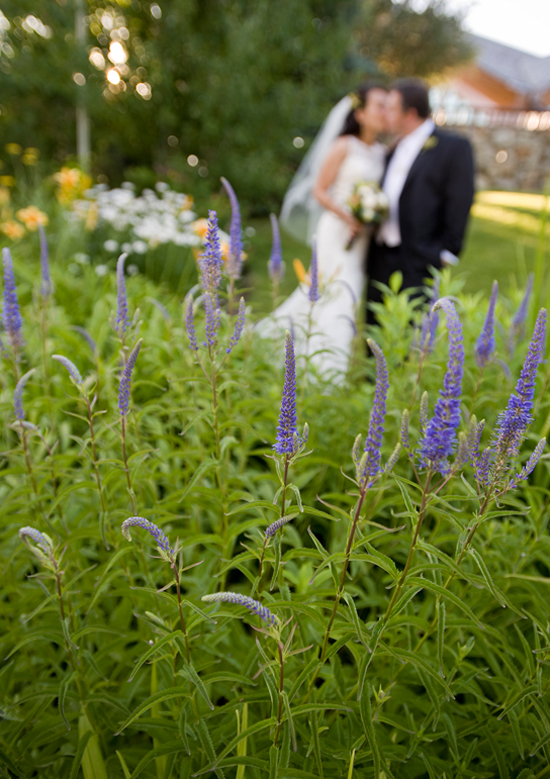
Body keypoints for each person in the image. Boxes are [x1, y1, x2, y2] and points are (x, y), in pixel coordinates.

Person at [258, 83, 387, 379]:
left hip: (362, 237)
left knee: (347, 295)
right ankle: (321, 370)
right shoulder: (344, 145)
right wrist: (350, 214)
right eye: (379, 105)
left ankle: (321, 366)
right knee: (327, 291)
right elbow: (319, 190)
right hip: (336, 230)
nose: (384, 112)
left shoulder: (381, 151)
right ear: (361, 113)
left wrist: (372, 213)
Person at [366, 78, 474, 325]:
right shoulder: (392, 148)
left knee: (412, 336)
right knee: (376, 328)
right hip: (381, 257)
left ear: (410, 113)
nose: (386, 114)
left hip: (420, 258)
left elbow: (460, 199)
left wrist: (446, 252)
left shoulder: (452, 147)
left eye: (392, 108)